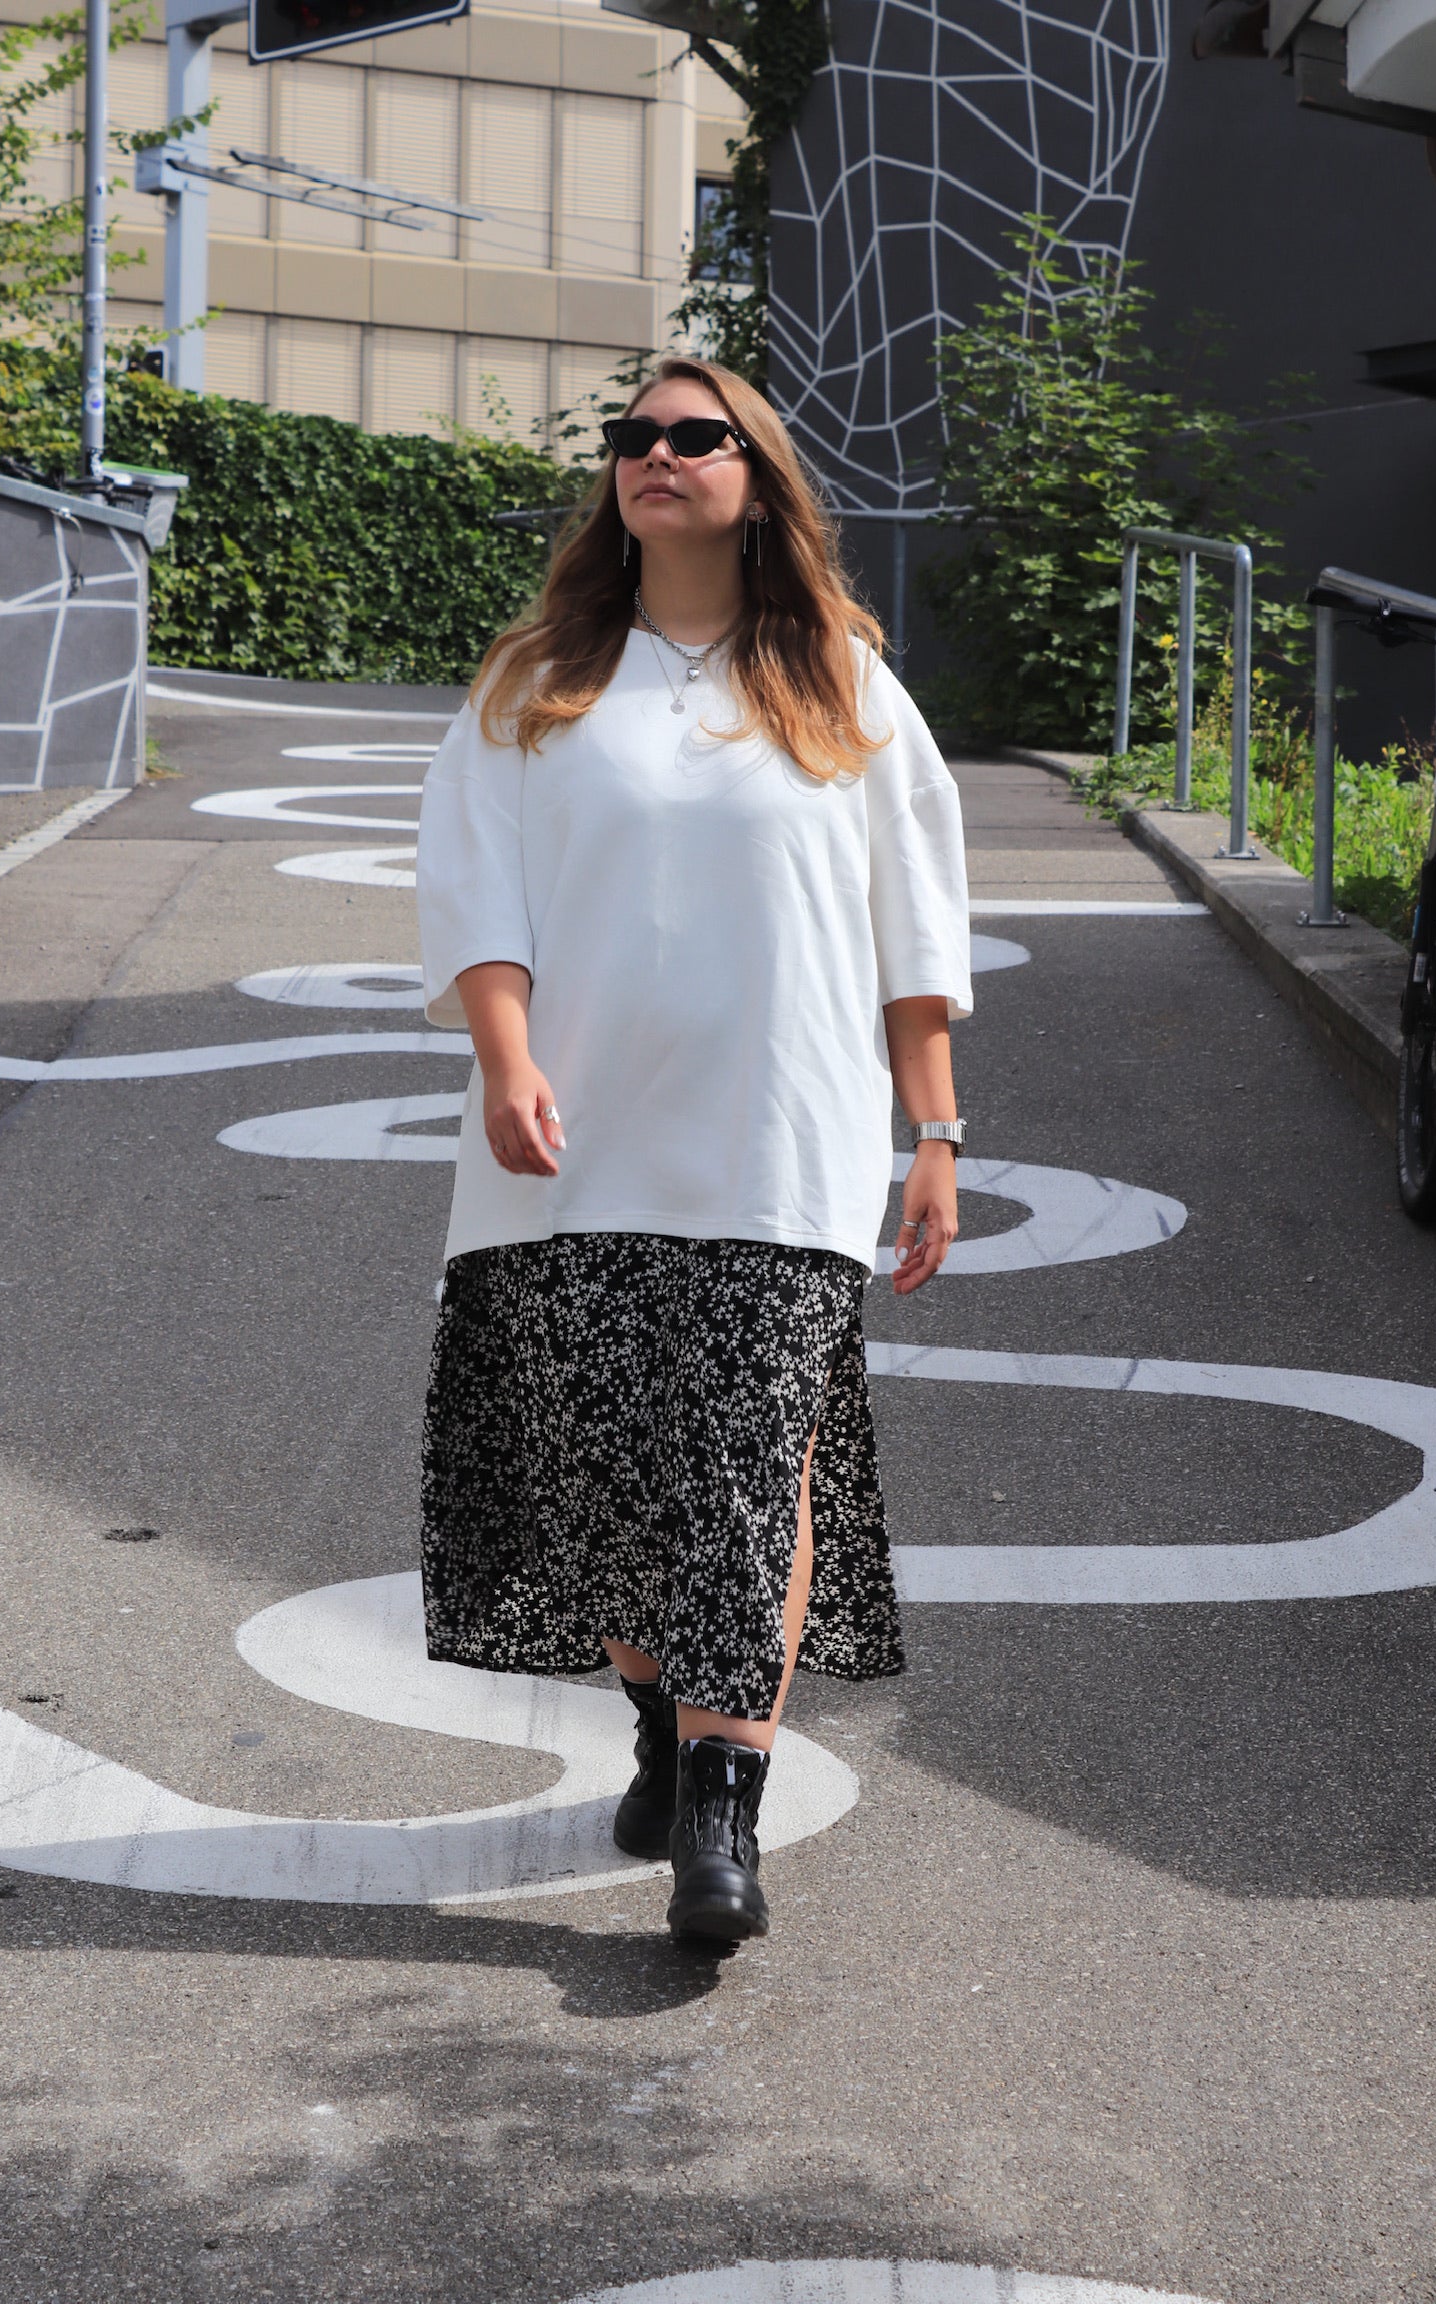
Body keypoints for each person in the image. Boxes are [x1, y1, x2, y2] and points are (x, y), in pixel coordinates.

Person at [416, 354, 971, 1949]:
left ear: (754, 476)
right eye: (632, 437)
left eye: (694, 436)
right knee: (601, 1476)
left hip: (781, 1140)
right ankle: (664, 1729)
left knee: (745, 1462)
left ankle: (724, 1807)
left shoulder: (843, 681)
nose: (655, 455)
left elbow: (914, 931)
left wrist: (935, 1131)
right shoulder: (537, 678)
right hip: (569, 1145)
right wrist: (506, 1062)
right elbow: (474, 895)